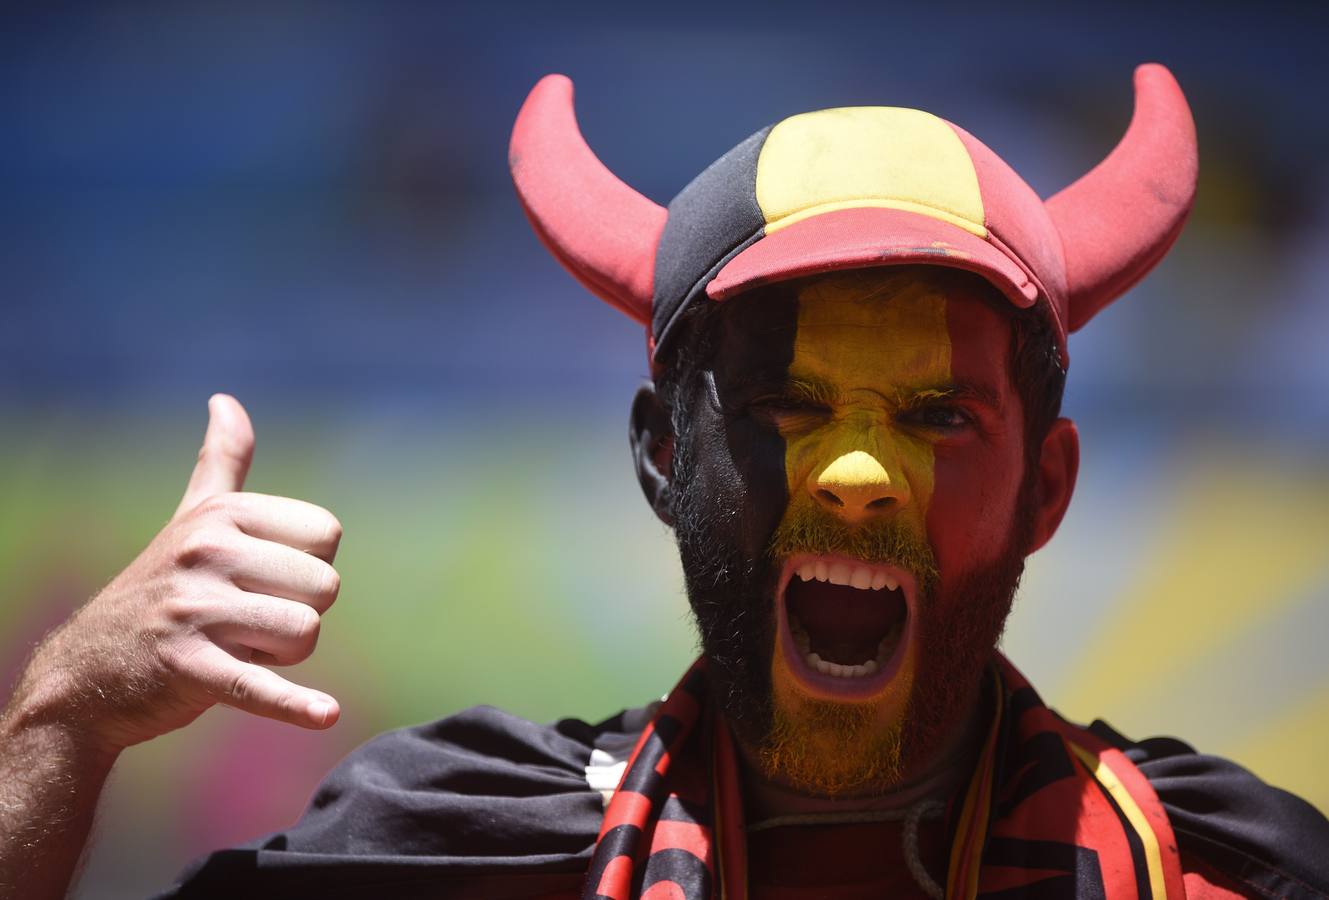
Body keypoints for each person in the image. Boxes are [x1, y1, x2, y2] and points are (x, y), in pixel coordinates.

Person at [2, 64, 1326, 900]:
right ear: (660, 458)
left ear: (1044, 489)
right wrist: (65, 718)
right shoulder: (455, 856)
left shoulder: (1223, 873)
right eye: (783, 406)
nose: (857, 475)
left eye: (932, 415)